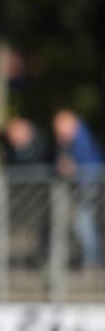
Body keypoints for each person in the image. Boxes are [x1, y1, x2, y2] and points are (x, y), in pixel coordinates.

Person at [52, 109, 103, 269]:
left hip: (88, 187)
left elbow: (87, 163)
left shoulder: (82, 140)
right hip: (83, 187)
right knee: (82, 224)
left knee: (83, 223)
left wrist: (72, 167)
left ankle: (92, 261)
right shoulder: (72, 140)